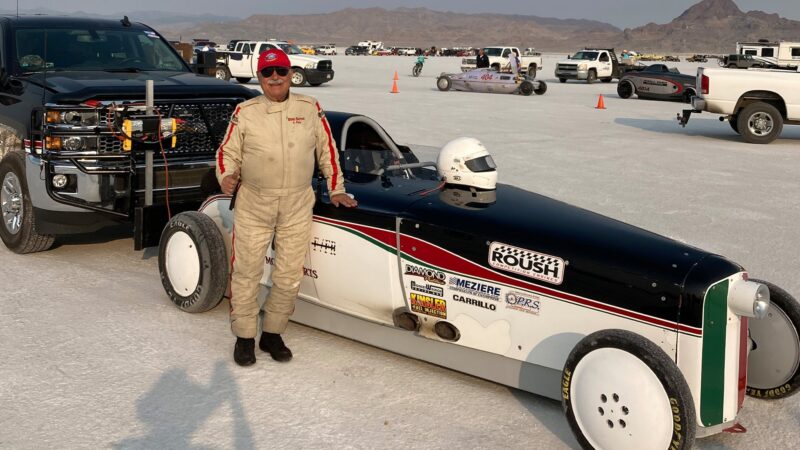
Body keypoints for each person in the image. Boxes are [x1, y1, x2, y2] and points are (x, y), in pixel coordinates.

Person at [215, 48, 358, 366]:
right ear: (260, 77)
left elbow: (327, 150)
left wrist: (336, 189)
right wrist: (227, 175)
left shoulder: (309, 108)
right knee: (246, 273)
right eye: (267, 73)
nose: (274, 77)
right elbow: (227, 152)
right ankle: (245, 337)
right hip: (254, 203)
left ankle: (273, 333)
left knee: (289, 275)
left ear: (289, 72)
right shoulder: (246, 112)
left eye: (280, 70)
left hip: (296, 204)